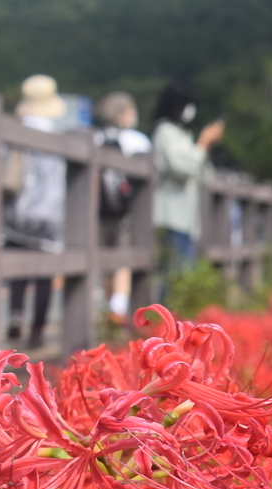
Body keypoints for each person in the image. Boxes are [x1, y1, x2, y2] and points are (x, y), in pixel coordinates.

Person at [4, 75, 68, 348]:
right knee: (44, 276)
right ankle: (38, 331)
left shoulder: (14, 130)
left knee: (18, 269)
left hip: (19, 209)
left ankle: (16, 313)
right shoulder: (58, 136)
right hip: (50, 214)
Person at [151, 81, 223, 301]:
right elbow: (182, 169)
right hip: (171, 218)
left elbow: (205, 176)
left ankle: (172, 329)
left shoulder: (182, 135)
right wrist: (202, 142)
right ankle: (163, 328)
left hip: (186, 220)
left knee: (180, 279)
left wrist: (206, 147)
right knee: (174, 279)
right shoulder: (165, 132)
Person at [95, 91, 151, 327]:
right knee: (123, 258)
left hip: (98, 210)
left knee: (104, 259)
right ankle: (118, 308)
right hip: (128, 212)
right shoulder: (137, 141)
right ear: (125, 114)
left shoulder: (94, 138)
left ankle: (109, 308)